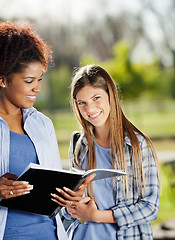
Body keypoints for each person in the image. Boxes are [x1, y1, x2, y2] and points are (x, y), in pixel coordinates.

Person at [0, 21, 91, 240]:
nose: (37, 88)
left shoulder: (42, 124)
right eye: (29, 80)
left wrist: (70, 195)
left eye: (39, 79)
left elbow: (52, 183)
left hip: (50, 234)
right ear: (2, 80)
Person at [62, 64, 160, 240]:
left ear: (111, 96)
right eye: (82, 103)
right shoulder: (79, 145)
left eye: (96, 98)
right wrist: (71, 204)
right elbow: (69, 213)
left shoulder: (137, 145)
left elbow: (150, 207)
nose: (90, 109)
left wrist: (96, 216)